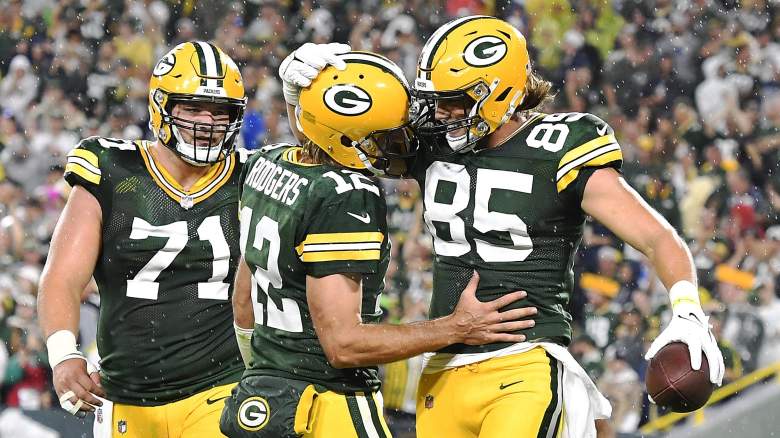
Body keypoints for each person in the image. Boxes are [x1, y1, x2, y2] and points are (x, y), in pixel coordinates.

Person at [292, 15, 725, 438]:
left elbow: (655, 235)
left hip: (523, 361)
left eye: (455, 101)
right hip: (442, 372)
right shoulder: (432, 141)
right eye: (437, 100)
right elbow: (337, 145)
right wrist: (304, 100)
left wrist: (687, 308)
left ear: (500, 93)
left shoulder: (558, 146)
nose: (440, 114)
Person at [219, 49, 537, 438]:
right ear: (346, 138)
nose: (399, 142)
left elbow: (243, 299)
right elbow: (344, 345)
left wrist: (263, 370)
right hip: (328, 402)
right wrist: (456, 327)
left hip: (262, 398)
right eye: (385, 135)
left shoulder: (270, 161)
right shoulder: (345, 193)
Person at [38, 41, 250, 437]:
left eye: (220, 113)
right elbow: (63, 276)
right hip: (125, 392)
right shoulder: (113, 169)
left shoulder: (252, 176)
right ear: (161, 107)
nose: (208, 123)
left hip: (223, 386)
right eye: (192, 108)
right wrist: (64, 354)